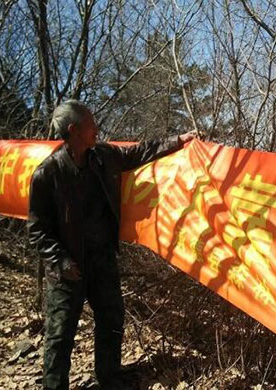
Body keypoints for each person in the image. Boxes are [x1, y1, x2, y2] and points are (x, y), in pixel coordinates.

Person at [28, 100, 197, 390]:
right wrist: (61, 262)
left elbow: (138, 152)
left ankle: (109, 377)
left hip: (101, 259)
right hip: (67, 268)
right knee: (60, 335)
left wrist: (178, 141)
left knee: (111, 320)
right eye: (92, 123)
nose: (97, 128)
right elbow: (38, 230)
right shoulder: (47, 174)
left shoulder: (103, 156)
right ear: (75, 129)